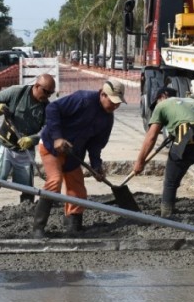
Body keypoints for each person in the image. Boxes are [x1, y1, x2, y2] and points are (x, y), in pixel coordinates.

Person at [32, 79, 125, 238]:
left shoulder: (107, 120)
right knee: (54, 180)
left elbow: (95, 146)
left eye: (118, 103)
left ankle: (73, 226)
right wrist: (57, 138)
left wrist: (96, 166)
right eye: (113, 102)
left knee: (78, 190)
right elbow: (53, 108)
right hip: (51, 147)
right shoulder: (83, 99)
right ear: (103, 94)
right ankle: (38, 228)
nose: (115, 106)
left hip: (74, 154)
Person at [133, 87, 194, 218]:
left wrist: (140, 162)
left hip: (186, 135)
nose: (156, 106)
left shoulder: (162, 104)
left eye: (157, 102)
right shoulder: (193, 102)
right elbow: (193, 120)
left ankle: (166, 213)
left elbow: (151, 136)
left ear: (162, 96)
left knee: (171, 181)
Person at [0, 74, 56, 216]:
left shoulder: (47, 108)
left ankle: (26, 211)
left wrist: (33, 139)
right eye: (45, 92)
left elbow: (48, 131)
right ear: (36, 86)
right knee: (0, 176)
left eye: (50, 93)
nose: (47, 96)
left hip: (25, 149)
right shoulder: (17, 92)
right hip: (6, 143)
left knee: (27, 185)